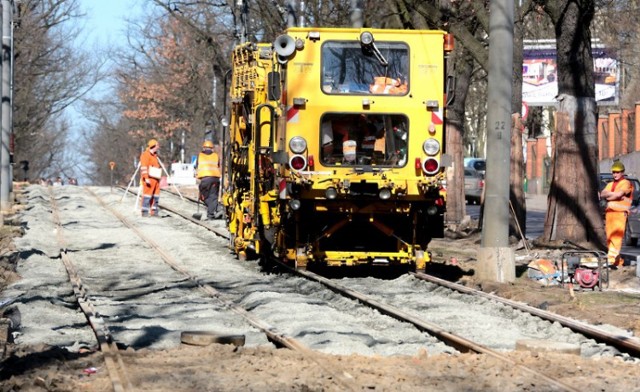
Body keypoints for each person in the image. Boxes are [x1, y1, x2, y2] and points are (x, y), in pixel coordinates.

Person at [600, 161, 634, 267]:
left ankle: (610, 259)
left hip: (620, 213)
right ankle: (617, 261)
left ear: (622, 172)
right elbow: (602, 194)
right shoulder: (610, 184)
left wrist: (610, 195)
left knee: (616, 237)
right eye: (614, 172)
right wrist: (613, 195)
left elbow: (618, 194)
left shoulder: (626, 183)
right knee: (610, 237)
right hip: (610, 213)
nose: (615, 174)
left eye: (618, 172)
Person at [195, 140, 222, 220]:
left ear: (203, 148)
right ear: (212, 148)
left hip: (205, 179)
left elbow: (196, 166)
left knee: (203, 196)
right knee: (213, 196)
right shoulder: (216, 156)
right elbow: (218, 165)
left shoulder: (200, 156)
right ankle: (215, 209)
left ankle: (212, 213)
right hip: (215, 179)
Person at [140, 139, 162, 217]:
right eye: (157, 145)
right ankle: (145, 211)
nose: (158, 147)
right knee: (147, 196)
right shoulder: (145, 155)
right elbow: (144, 167)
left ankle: (154, 211)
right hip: (149, 179)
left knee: (156, 196)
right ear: (153, 146)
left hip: (156, 179)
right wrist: (146, 178)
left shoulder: (155, 156)